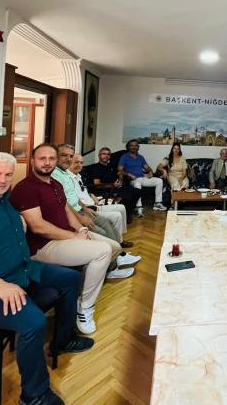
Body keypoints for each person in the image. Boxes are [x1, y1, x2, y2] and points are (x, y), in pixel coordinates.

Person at [0, 152, 93, 405]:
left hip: (18, 272)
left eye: (7, 175)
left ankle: (63, 340)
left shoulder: (3, 202)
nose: (2, 180)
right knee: (33, 322)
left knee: (70, 278)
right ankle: (34, 394)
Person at [10, 144, 136, 336]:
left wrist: (81, 229)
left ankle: (81, 290)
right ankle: (84, 308)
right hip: (43, 246)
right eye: (42, 158)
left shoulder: (55, 184)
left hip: (67, 236)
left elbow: (67, 211)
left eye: (51, 159)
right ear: (33, 161)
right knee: (102, 251)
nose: (47, 163)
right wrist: (74, 236)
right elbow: (38, 227)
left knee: (114, 247)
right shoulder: (25, 188)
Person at [52, 143, 120, 242]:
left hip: (82, 209)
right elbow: (63, 202)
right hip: (73, 214)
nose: (68, 159)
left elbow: (75, 196)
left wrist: (85, 208)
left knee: (106, 222)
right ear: (55, 156)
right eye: (64, 155)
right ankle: (114, 250)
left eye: (71, 156)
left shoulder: (66, 173)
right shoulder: (54, 175)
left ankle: (118, 249)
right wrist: (80, 217)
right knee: (103, 233)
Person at [70, 152, 128, 242]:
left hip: (94, 202)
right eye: (76, 162)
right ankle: (118, 241)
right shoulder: (68, 179)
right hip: (90, 208)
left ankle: (120, 237)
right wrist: (86, 207)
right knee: (117, 216)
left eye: (81, 163)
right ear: (69, 162)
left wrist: (90, 194)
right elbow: (73, 198)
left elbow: (82, 190)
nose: (79, 165)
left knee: (122, 207)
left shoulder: (78, 176)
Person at [85, 146, 141, 227]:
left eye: (108, 154)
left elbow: (118, 176)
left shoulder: (111, 167)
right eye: (104, 154)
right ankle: (126, 215)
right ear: (99, 155)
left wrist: (120, 180)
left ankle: (128, 211)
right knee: (127, 196)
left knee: (137, 191)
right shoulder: (94, 167)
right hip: (105, 190)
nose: (106, 156)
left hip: (116, 187)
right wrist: (112, 185)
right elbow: (97, 185)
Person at [117, 140, 167, 216]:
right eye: (131, 145)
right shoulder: (124, 157)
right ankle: (138, 207)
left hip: (142, 178)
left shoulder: (140, 157)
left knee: (159, 181)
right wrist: (128, 174)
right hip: (133, 180)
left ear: (138, 147)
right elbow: (120, 170)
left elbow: (148, 168)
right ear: (128, 147)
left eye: (136, 145)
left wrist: (150, 172)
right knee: (137, 183)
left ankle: (157, 203)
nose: (134, 147)